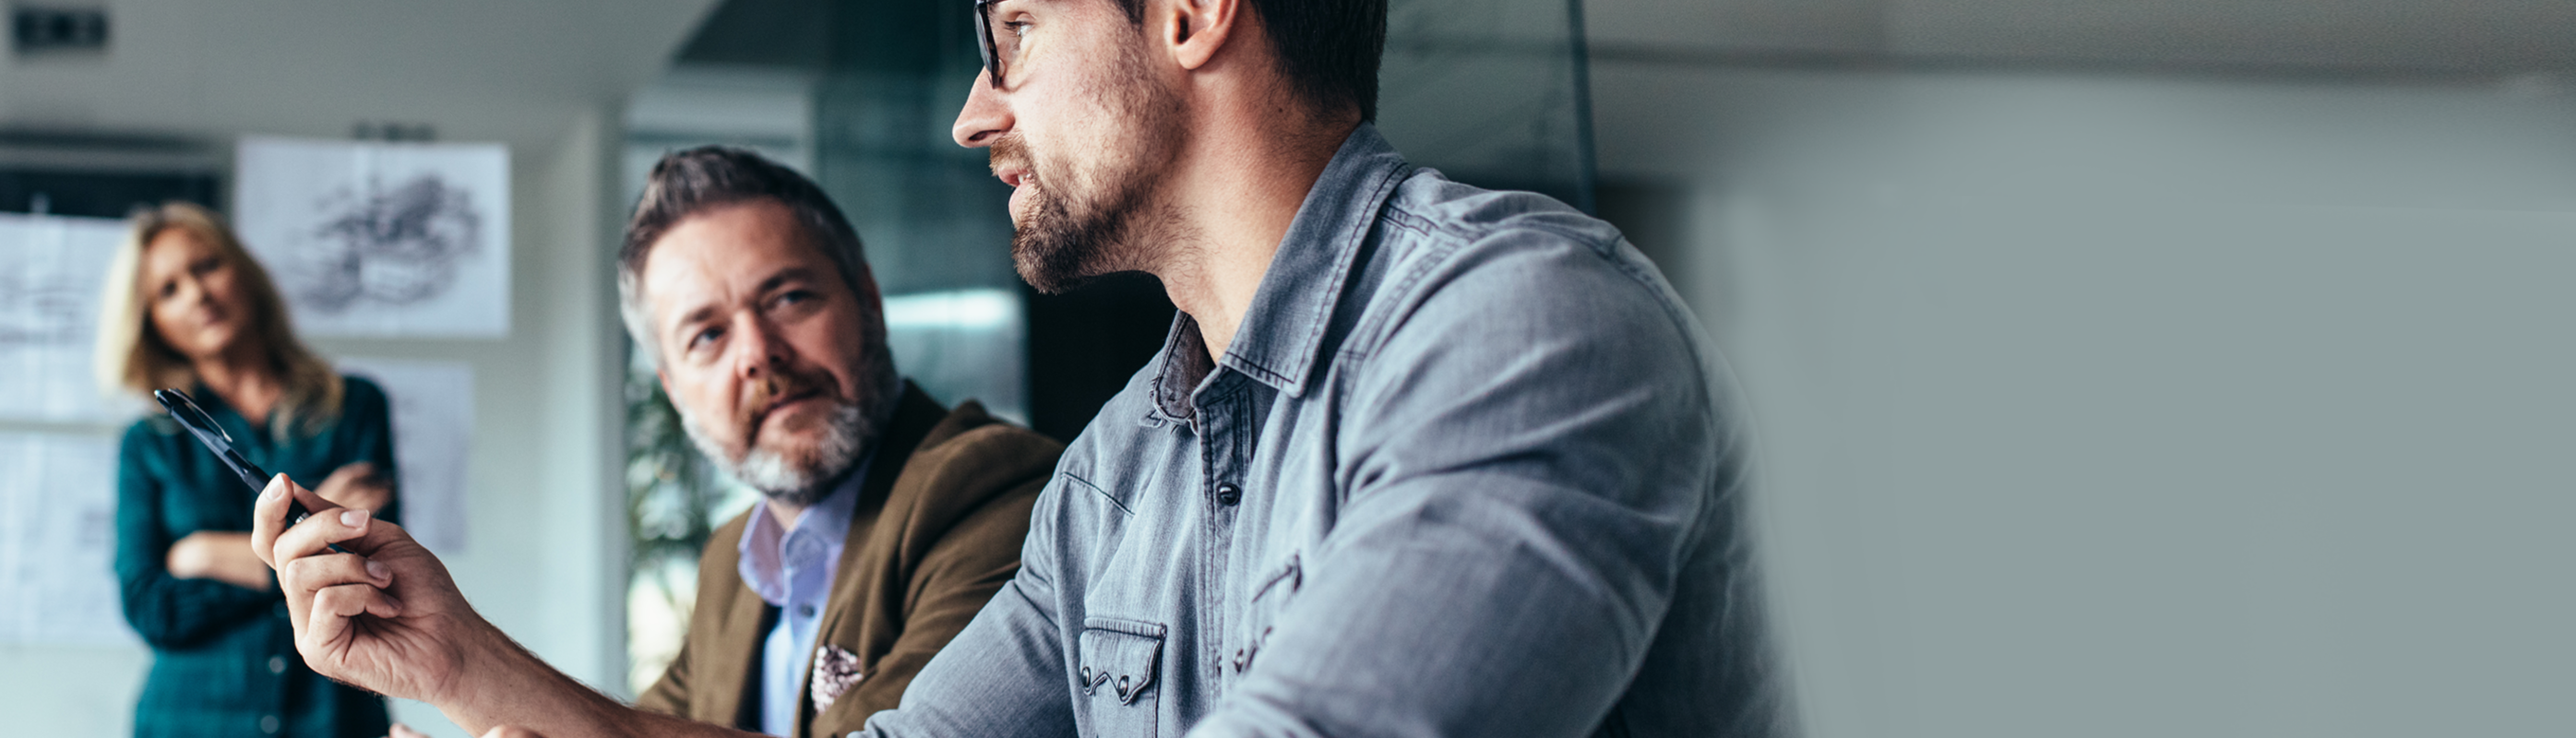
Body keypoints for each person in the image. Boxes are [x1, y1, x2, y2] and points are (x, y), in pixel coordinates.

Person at [250, 0, 1790, 736]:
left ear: (1190, 13)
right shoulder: (1122, 471)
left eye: (1014, 33)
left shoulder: (1522, 331)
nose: (974, 116)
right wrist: (452, 665)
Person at [614, 148, 1064, 737]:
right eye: (708, 335)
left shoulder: (993, 486)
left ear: (868, 299)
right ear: (674, 391)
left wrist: (468, 663)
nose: (757, 354)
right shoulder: (734, 561)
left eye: (788, 298)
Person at [100, 201, 403, 738]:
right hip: (188, 720)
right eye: (168, 290)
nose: (197, 294)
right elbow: (151, 607)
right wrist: (304, 543)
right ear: (152, 325)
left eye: (207, 267)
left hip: (333, 718)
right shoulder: (147, 445)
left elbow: (369, 571)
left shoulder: (354, 406)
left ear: (245, 272)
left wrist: (199, 554)